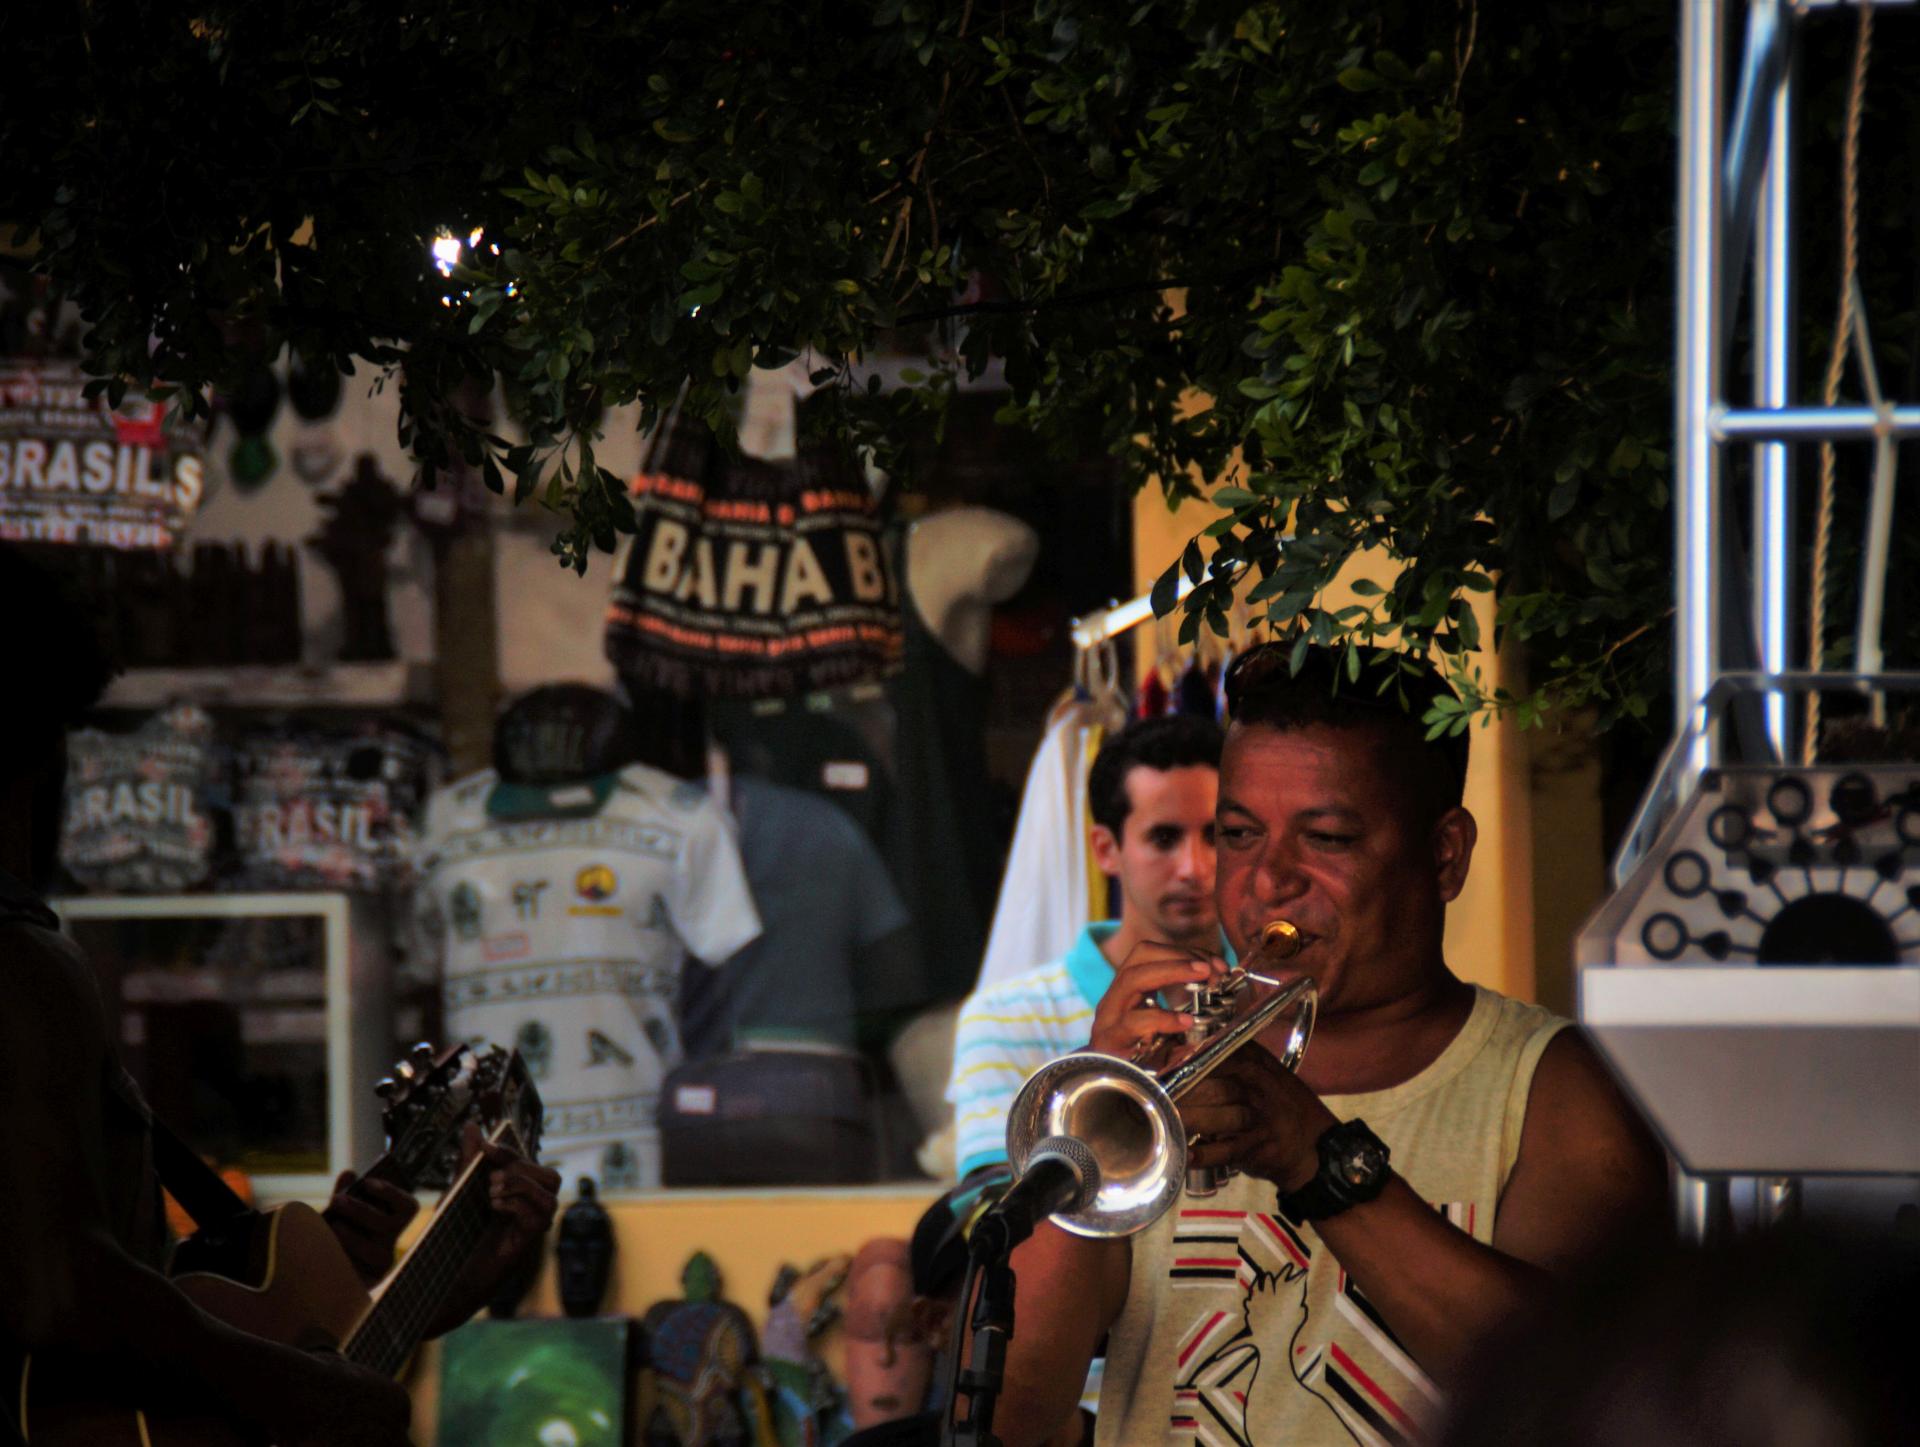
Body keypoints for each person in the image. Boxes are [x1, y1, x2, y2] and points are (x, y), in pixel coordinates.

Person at [992, 642, 1669, 1447]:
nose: (1270, 879)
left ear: (1444, 854)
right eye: (1240, 834)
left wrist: (1316, 1156)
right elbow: (1012, 1416)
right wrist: (1090, 1143)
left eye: (1329, 838)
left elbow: (1581, 1395)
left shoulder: (1553, 1090)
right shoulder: (1157, 1083)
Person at [0, 548, 560, 1447]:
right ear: (32, 743)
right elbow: (66, 1287)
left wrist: (355, 1295)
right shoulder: (20, 963)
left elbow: (117, 1318)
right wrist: (297, 1389)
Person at [946, 714, 1226, 1180]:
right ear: (1105, 849)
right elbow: (993, 1218)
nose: (1194, 868)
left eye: (1218, 836)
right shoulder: (1003, 1019)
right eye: (1164, 837)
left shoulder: (1277, 997)